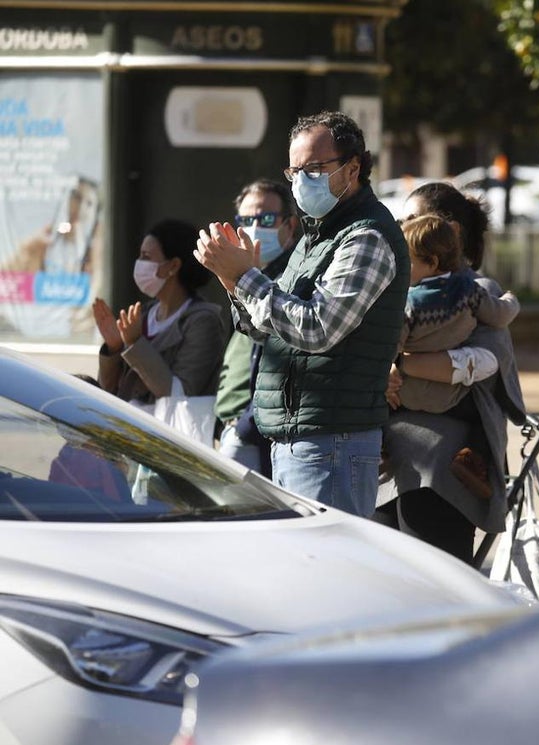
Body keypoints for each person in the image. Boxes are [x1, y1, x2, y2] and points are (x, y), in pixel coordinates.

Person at [194, 110, 408, 518]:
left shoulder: (367, 236)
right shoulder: (315, 235)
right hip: (298, 439)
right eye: (295, 172)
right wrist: (234, 283)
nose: (302, 181)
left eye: (314, 168)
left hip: (332, 442)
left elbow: (317, 328)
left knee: (331, 575)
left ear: (353, 168)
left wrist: (244, 277)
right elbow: (269, 330)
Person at [377, 182, 526, 563]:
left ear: (448, 233)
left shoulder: (477, 290)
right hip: (384, 465)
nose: (400, 230)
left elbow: (481, 364)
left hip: (443, 471)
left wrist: (399, 365)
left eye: (411, 220)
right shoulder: (397, 290)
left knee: (434, 588)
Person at [92, 219, 226, 412]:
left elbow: (179, 394)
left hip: (166, 436)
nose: (139, 263)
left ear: (172, 266)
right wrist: (114, 349)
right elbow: (108, 390)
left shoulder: (203, 321)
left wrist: (136, 344)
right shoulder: (143, 315)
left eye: (146, 256)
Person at [213, 179, 300, 476]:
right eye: (246, 220)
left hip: (255, 434)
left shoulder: (293, 280)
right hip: (231, 427)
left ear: (289, 227)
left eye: (265, 219)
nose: (253, 227)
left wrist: (245, 426)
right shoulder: (241, 276)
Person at [396, 213, 518, 414]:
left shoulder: (409, 303)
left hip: (407, 392)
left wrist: (388, 374)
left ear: (432, 262)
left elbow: (390, 346)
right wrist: (511, 300)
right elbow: (499, 315)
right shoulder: (470, 291)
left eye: (406, 261)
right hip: (451, 395)